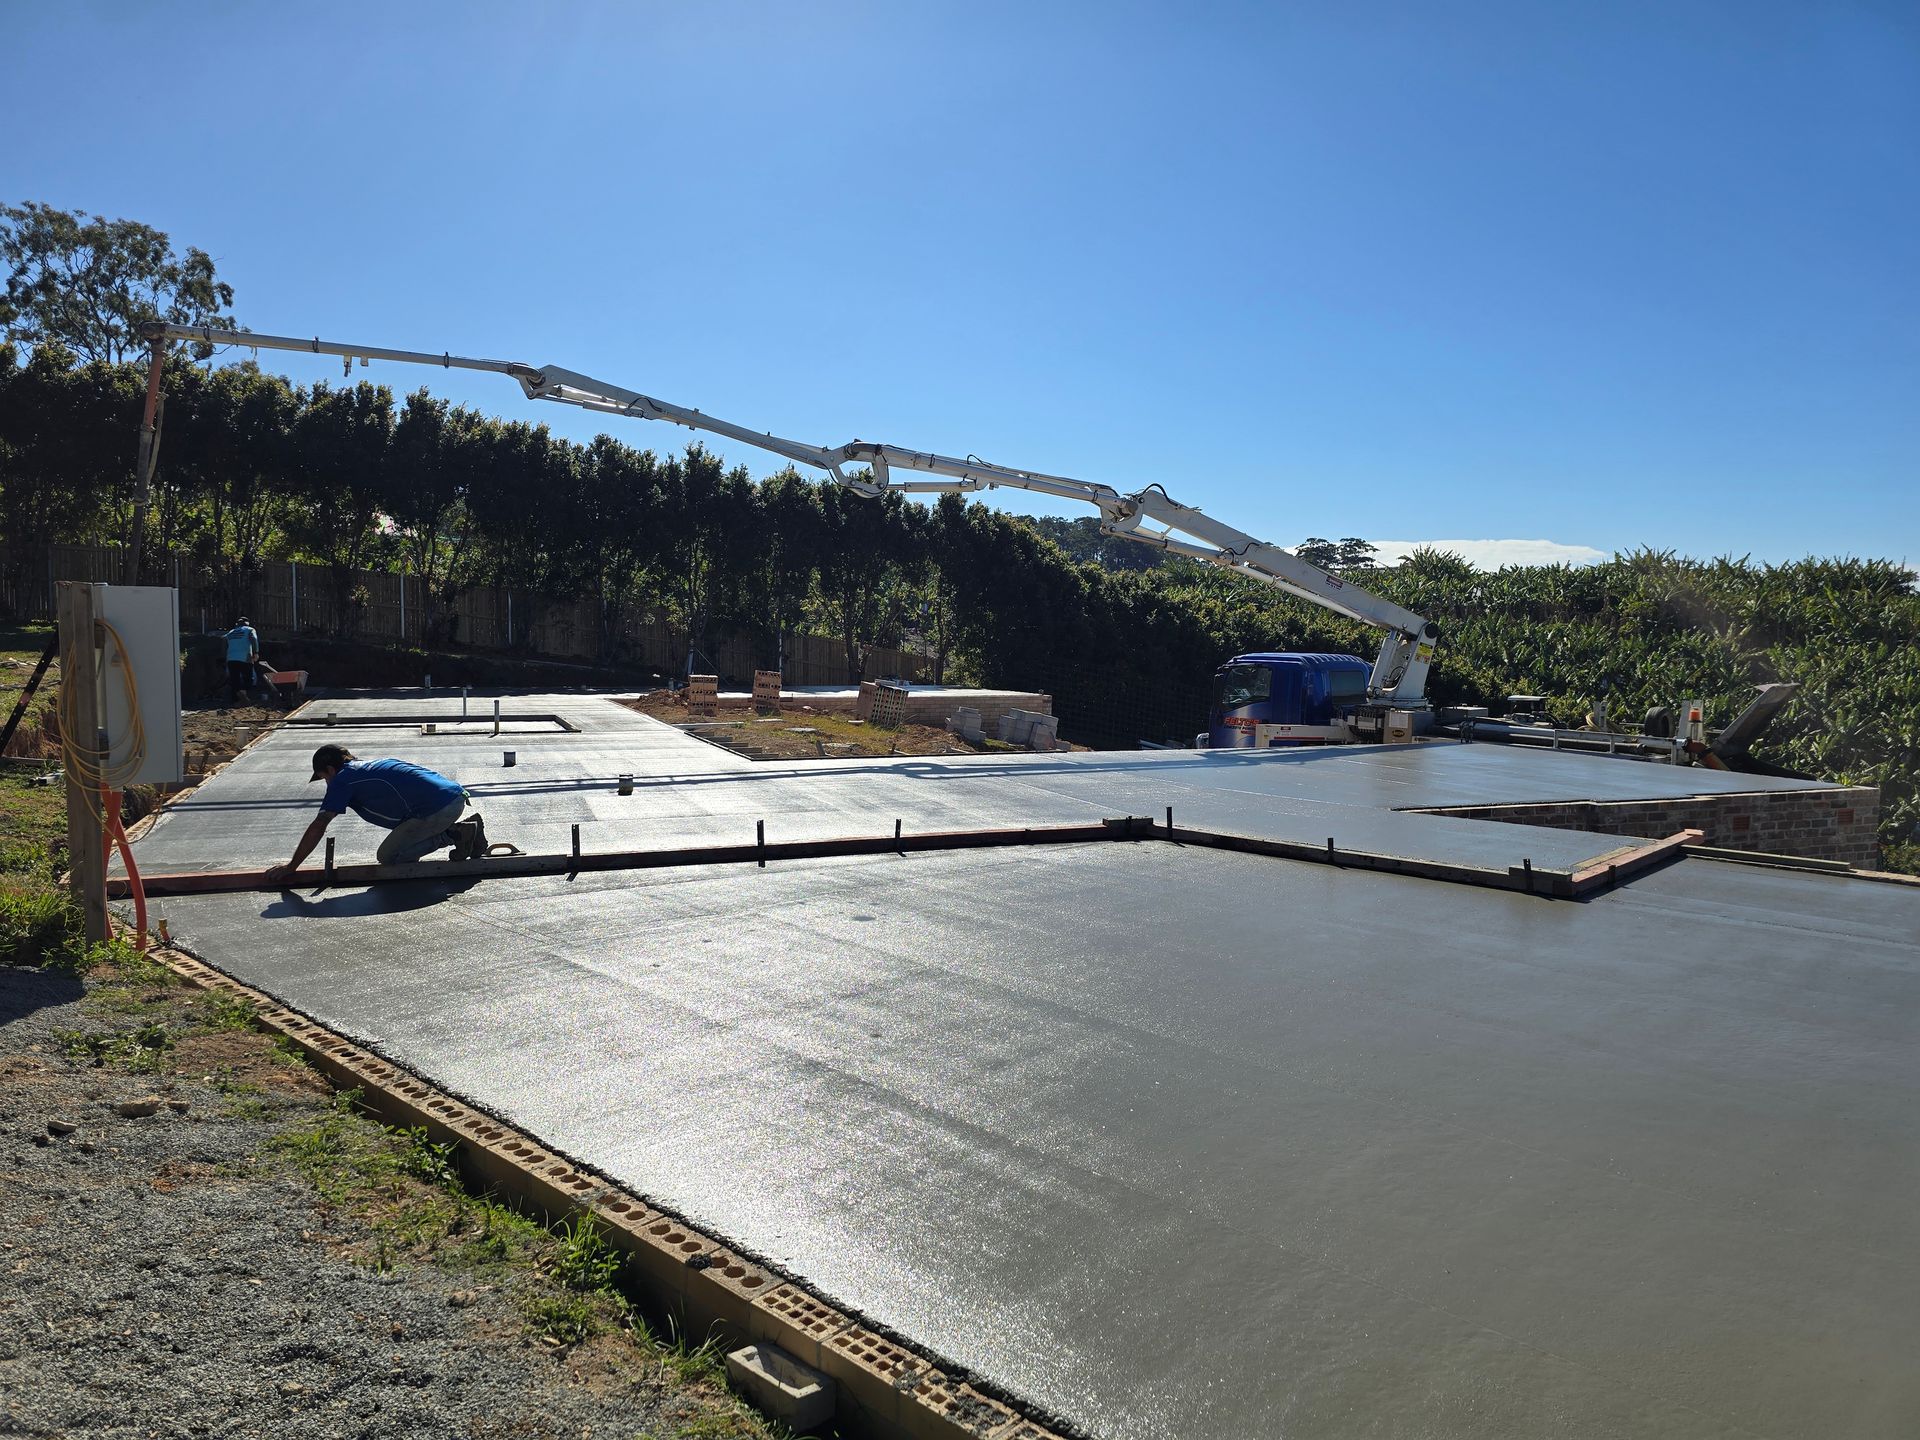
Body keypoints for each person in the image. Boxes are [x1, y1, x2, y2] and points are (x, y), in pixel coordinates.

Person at [265, 744, 485, 882]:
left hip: (438, 808)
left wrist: (292, 866)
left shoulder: (342, 780)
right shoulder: (366, 767)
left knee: (389, 857)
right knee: (404, 849)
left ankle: (455, 834)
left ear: (331, 770)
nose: (327, 784)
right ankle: (465, 831)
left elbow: (319, 825)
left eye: (324, 778)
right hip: (452, 798)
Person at [222, 617, 260, 705]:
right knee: (248, 678)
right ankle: (244, 693)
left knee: (234, 679)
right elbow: (254, 639)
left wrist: (224, 656)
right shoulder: (250, 630)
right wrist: (256, 652)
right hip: (245, 657)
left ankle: (236, 699)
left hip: (231, 658)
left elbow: (223, 640)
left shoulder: (231, 632)